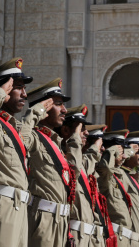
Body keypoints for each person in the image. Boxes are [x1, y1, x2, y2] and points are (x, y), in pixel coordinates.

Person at [0, 57, 35, 247]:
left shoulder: (14, 127)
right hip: (1, 204)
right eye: (18, 87)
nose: (24, 94)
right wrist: (0, 94)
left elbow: (26, 141)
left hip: (20, 204)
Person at [23, 79, 80, 247]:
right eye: (58, 104)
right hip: (43, 218)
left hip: (60, 220)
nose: (64, 110)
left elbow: (74, 174)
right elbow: (21, 141)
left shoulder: (55, 142)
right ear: (45, 107)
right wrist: (36, 111)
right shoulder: (33, 136)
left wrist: (75, 138)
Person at [61, 105, 106, 247]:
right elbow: (73, 168)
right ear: (66, 130)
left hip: (88, 235)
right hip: (74, 234)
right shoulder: (63, 159)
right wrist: (75, 136)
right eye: (81, 128)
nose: (86, 133)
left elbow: (90, 158)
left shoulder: (83, 163)